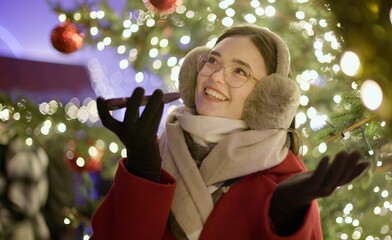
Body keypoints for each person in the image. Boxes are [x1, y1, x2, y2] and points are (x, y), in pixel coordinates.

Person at [92, 24, 369, 240]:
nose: (214, 76)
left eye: (239, 71)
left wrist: (287, 221)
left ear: (267, 98)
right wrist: (142, 174)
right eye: (212, 61)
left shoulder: (284, 181)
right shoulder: (154, 155)